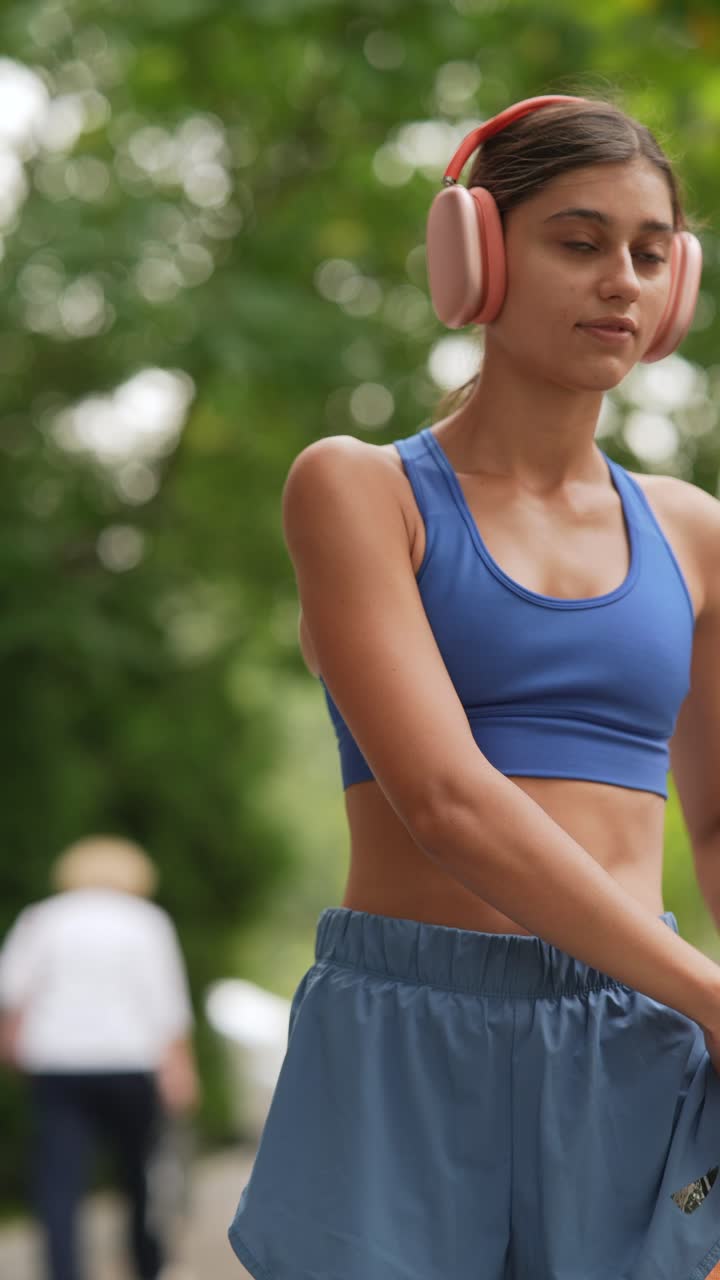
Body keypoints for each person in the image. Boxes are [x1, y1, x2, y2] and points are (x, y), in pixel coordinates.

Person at [228, 94, 720, 1279]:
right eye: (580, 240)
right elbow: (446, 796)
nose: (623, 280)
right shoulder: (358, 491)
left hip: (636, 1031)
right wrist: (710, 990)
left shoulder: (697, 531)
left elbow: (714, 816)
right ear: (477, 256)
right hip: (406, 1029)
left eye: (651, 253)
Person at [0, 834, 200, 1280]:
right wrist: (181, 1069)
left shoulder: (42, 919)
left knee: (59, 1179)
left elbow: (14, 994)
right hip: (130, 1062)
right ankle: (146, 1266)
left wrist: (13, 1050)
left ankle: (63, 1271)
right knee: (137, 1175)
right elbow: (167, 1004)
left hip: (58, 1063)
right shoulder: (147, 922)